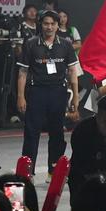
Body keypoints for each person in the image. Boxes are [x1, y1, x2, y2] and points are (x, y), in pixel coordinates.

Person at [15, 10, 79, 174]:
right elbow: (22, 73)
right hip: (36, 92)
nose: (49, 27)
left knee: (57, 132)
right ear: (40, 25)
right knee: (31, 132)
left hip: (59, 93)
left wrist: (75, 98)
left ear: (58, 25)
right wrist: (21, 97)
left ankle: (54, 170)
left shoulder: (66, 44)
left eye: (52, 24)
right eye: (46, 23)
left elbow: (73, 72)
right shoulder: (30, 43)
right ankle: (27, 172)